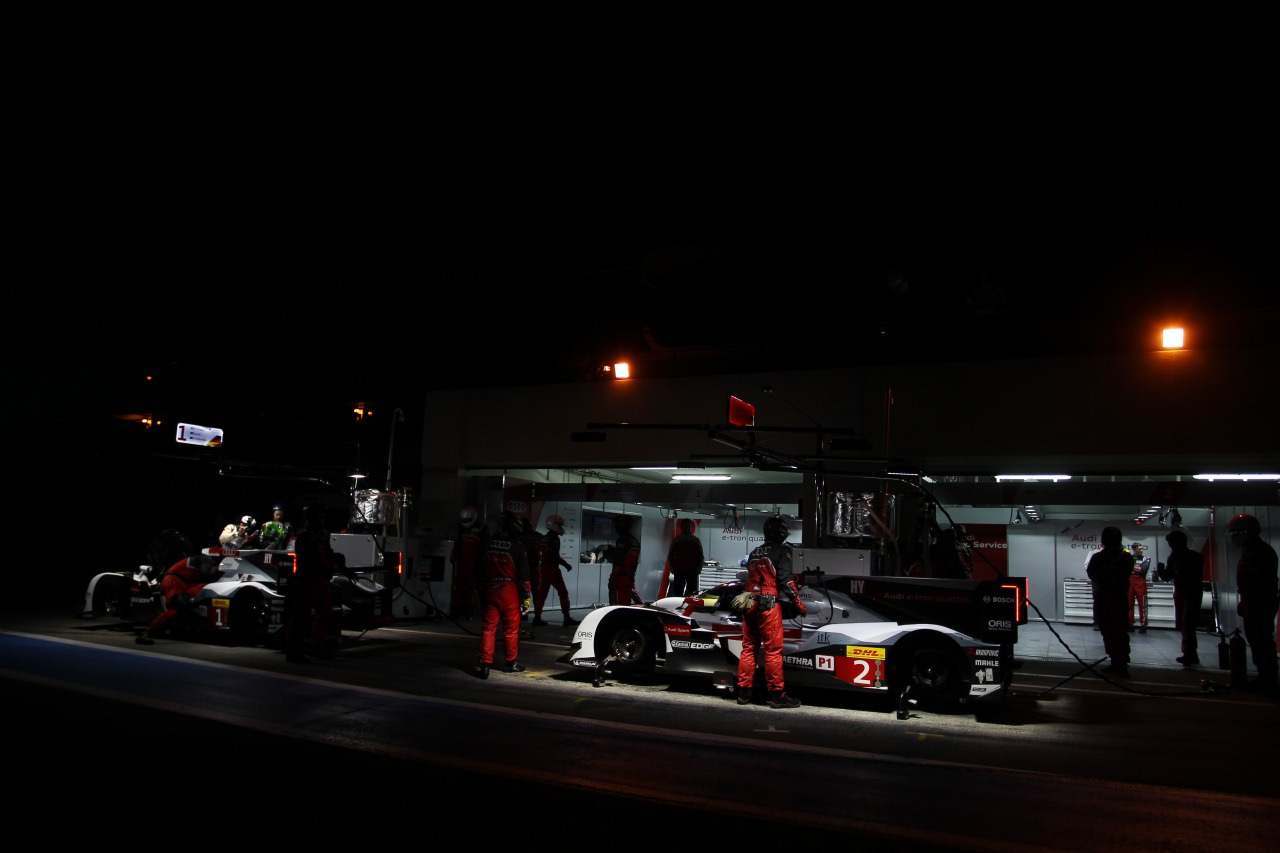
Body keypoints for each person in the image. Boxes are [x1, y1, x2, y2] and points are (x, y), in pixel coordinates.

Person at [735, 516, 804, 708]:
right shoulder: (782, 551)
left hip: (749, 604)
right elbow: (786, 581)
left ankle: (744, 693)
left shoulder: (754, 552)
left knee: (748, 648)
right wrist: (798, 604)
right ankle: (776, 696)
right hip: (768, 605)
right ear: (780, 532)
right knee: (773, 651)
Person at [473, 510, 532, 679]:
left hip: (489, 588)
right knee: (511, 630)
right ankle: (510, 663)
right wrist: (526, 599)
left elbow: (477, 571)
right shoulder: (518, 547)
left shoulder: (486, 544)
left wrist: (479, 591)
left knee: (488, 629)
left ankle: (485, 665)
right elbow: (524, 578)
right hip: (509, 591)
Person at [1228, 513, 1278, 693]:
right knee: (1256, 641)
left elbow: (1262, 581)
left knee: (1262, 640)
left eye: (1236, 532)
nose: (1234, 536)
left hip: (1260, 603)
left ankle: (1268, 678)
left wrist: (1251, 601)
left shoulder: (1261, 552)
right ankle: (1264, 675)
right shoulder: (1250, 551)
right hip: (1252, 602)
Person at [285, 503, 341, 663]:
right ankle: (294, 651)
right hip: (306, 579)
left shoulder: (321, 534)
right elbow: (312, 558)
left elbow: (327, 552)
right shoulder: (304, 535)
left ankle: (316, 646)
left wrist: (338, 564)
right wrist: (330, 565)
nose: (323, 519)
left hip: (319, 579)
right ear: (311, 518)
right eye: (320, 516)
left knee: (324, 611)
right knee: (301, 616)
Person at [136, 554, 221, 644]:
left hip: (180, 583)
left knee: (204, 587)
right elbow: (206, 571)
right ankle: (148, 632)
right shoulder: (203, 559)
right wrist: (216, 569)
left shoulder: (199, 562)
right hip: (173, 581)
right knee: (176, 608)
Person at [1086, 526, 1134, 677]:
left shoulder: (1107, 558)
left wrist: (1105, 581)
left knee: (1116, 631)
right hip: (1111, 597)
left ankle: (1119, 662)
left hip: (1111, 597)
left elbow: (1093, 574)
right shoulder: (1121, 558)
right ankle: (1117, 662)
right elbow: (1092, 574)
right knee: (1112, 631)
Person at [1161, 529, 1205, 666]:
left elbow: (1195, 576)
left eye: (1172, 542)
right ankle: (1190, 653)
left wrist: (1178, 569)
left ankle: (1190, 653)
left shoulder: (1194, 557)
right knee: (1183, 624)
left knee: (1188, 623)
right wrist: (1162, 570)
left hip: (1192, 592)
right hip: (1180, 592)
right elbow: (1167, 577)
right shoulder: (1173, 557)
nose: (1171, 546)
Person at [532, 514, 578, 628]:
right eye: (560, 525)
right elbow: (555, 556)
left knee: (542, 594)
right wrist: (566, 564)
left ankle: (537, 618)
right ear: (554, 525)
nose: (561, 527)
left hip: (543, 568)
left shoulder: (544, 538)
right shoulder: (554, 539)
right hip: (552, 568)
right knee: (563, 592)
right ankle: (566, 618)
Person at [449, 505, 486, 620]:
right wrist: (454, 553)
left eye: (467, 520)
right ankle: (458, 608)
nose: (465, 523)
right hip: (462, 561)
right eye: (463, 520)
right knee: (459, 586)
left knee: (473, 586)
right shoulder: (461, 529)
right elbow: (458, 544)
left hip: (476, 562)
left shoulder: (482, 529)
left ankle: (470, 609)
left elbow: (485, 547)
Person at [607, 514, 642, 606]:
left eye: (619, 524)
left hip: (620, 579)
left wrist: (612, 580)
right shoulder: (635, 540)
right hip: (630, 577)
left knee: (616, 607)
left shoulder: (622, 541)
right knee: (626, 605)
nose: (617, 527)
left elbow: (619, 562)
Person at [665, 517, 705, 598]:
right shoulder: (677, 540)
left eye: (688, 526)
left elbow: (701, 556)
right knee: (679, 593)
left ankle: (688, 607)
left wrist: (698, 569)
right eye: (686, 526)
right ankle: (679, 607)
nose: (687, 528)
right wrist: (673, 569)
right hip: (680, 571)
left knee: (691, 593)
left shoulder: (695, 540)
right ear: (682, 527)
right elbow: (670, 556)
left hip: (691, 571)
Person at [1128, 542, 1150, 633]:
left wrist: (1132, 568)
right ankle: (1130, 624)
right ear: (1134, 549)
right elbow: (1125, 569)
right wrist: (1137, 568)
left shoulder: (1146, 558)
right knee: (1129, 605)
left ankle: (1143, 624)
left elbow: (1143, 570)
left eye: (1142, 548)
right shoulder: (1128, 558)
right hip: (1129, 584)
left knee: (1143, 605)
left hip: (1141, 584)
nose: (1141, 550)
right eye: (1139, 548)